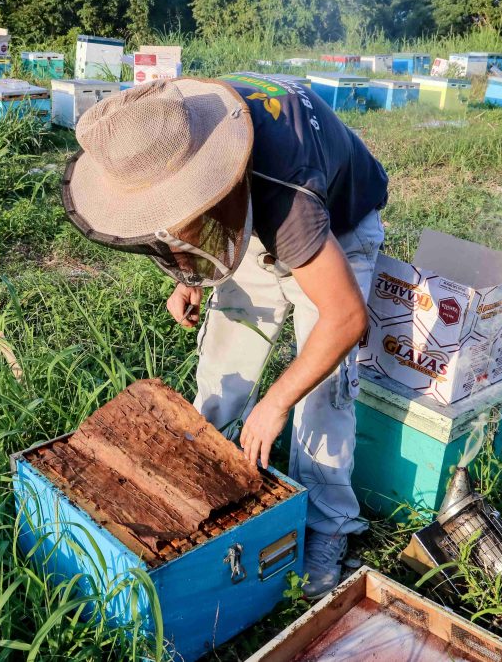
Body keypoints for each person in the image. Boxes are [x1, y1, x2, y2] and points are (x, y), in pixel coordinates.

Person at [61, 73, 389, 598]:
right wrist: (187, 275)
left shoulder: (287, 191)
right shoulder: (170, 125)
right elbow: (177, 217)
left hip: (337, 233)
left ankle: (329, 529)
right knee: (222, 367)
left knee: (321, 398)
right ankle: (201, 485)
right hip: (256, 212)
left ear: (214, 178)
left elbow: (347, 318)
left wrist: (277, 402)